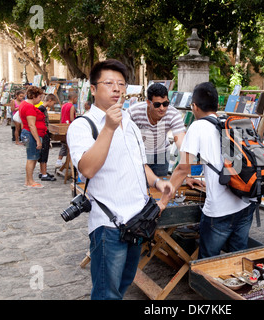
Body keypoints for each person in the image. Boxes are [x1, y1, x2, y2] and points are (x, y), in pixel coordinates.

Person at [67, 59, 174, 300]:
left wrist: (157, 182)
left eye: (121, 83)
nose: (117, 88)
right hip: (108, 225)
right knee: (107, 293)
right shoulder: (83, 126)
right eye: (108, 83)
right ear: (93, 89)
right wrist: (108, 128)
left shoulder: (130, 122)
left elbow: (139, 164)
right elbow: (88, 169)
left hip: (137, 222)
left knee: (125, 283)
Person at [160, 82, 257, 259]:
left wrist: (163, 201)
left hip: (220, 210)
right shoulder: (229, 122)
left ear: (194, 106)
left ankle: (206, 286)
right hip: (246, 202)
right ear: (217, 105)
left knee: (208, 261)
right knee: (238, 259)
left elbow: (183, 167)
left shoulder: (198, 127)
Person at [19, 86, 45, 188]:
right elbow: (31, 125)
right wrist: (38, 140)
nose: (40, 100)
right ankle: (30, 181)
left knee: (32, 157)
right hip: (31, 134)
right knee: (31, 158)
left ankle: (28, 179)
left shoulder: (24, 104)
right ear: (34, 96)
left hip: (27, 132)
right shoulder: (29, 107)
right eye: (39, 97)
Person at [36, 94, 58, 181]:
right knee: (44, 153)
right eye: (53, 103)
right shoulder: (41, 109)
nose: (53, 105)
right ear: (50, 100)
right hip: (43, 133)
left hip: (42, 132)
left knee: (43, 153)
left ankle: (43, 171)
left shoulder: (42, 108)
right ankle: (44, 174)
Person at [56, 92, 78, 167]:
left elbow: (61, 117)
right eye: (77, 99)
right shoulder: (71, 106)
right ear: (74, 98)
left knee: (64, 145)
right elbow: (72, 118)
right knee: (67, 145)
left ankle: (60, 160)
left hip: (63, 126)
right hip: (68, 127)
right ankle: (62, 161)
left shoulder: (63, 105)